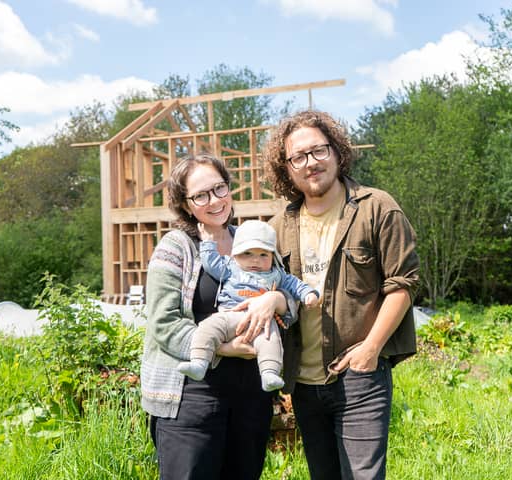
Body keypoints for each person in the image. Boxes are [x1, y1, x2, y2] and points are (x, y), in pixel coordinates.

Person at [261, 110, 420, 480]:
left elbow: (403, 283)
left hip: (359, 374)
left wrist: (370, 349)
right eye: (297, 157)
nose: (309, 163)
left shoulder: (376, 208)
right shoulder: (277, 228)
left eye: (318, 150)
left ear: (336, 151)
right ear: (286, 168)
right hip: (304, 383)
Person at [140, 153, 294, 480]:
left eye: (219, 188)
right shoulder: (177, 247)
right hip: (191, 397)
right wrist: (222, 348)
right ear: (185, 204)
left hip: (250, 397)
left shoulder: (252, 240)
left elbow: (292, 303)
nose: (214, 201)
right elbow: (163, 323)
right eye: (200, 195)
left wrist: (277, 299)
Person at [178, 219, 319, 392]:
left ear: (273, 256)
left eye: (263, 255)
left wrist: (308, 294)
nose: (256, 260)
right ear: (235, 254)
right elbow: (211, 263)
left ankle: (269, 373)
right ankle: (199, 362)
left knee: (271, 341)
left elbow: (295, 285)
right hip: (230, 315)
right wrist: (207, 243)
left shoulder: (277, 274)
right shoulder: (230, 267)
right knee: (207, 328)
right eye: (248, 253)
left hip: (263, 322)